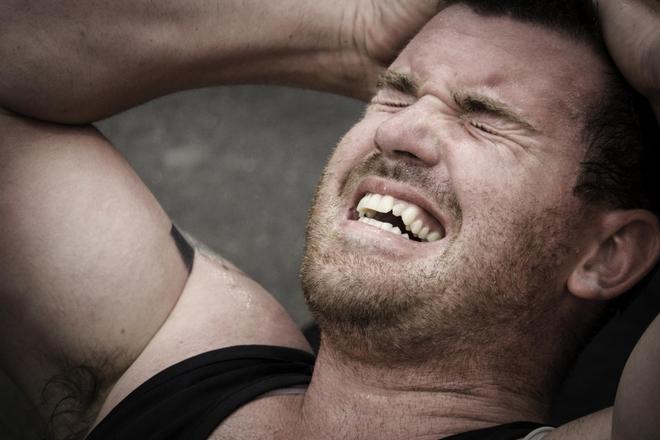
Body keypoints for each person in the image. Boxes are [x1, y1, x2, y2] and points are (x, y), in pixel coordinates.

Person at [0, 0, 658, 439]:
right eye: (394, 90)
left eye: (484, 119)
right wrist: (351, 32)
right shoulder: (165, 353)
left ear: (607, 255)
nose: (400, 132)